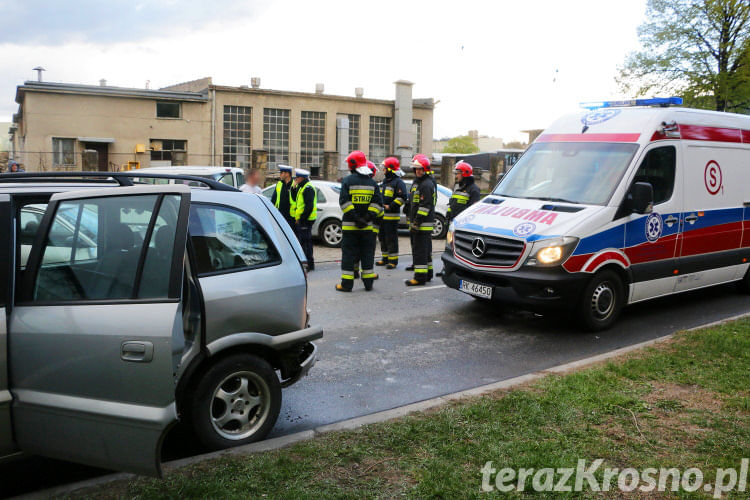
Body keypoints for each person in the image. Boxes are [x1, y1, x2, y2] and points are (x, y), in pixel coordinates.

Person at [336, 151, 383, 292]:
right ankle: (368, 284)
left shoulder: (347, 181)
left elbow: (344, 202)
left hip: (350, 227)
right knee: (367, 255)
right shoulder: (372, 183)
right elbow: (377, 205)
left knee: (349, 255)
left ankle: (347, 284)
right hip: (367, 228)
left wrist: (355, 218)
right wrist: (366, 219)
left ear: (352, 165)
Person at [405, 154, 436, 286]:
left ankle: (419, 277)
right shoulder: (419, 182)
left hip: (422, 224)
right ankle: (428, 274)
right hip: (422, 224)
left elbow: (425, 206)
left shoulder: (426, 184)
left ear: (425, 169)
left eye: (420, 169)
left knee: (419, 252)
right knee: (425, 251)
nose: (418, 171)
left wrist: (417, 222)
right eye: (416, 169)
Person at [376, 157, 407, 269]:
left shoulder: (398, 182)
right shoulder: (385, 182)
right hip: (382, 216)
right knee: (382, 238)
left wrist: (390, 206)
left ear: (390, 169)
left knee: (391, 239)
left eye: (384, 168)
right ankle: (385, 259)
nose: (383, 170)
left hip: (392, 217)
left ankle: (393, 261)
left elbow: (403, 197)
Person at [292, 168, 317, 271]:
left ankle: (309, 264)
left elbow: (309, 207)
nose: (295, 180)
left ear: (302, 178)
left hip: (306, 220)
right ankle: (307, 263)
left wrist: (301, 219)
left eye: (297, 178)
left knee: (306, 243)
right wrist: (293, 188)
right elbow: (295, 200)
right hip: (303, 219)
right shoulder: (302, 187)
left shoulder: (308, 188)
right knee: (304, 242)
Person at [270, 165, 297, 231]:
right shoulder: (279, 184)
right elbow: (274, 199)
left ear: (287, 174)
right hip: (280, 215)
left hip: (291, 217)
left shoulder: (295, 184)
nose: (280, 175)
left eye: (281, 173)